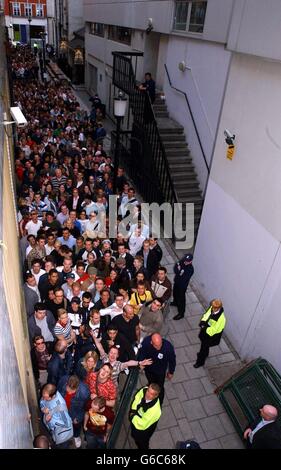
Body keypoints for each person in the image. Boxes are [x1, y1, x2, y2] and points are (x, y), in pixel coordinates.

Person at [138, 333, 176, 404]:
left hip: (160, 372)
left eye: (160, 344)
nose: (159, 347)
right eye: (156, 346)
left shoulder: (168, 347)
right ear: (151, 342)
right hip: (149, 369)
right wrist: (141, 363)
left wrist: (171, 371)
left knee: (160, 388)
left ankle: (159, 402)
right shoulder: (146, 343)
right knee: (151, 383)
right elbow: (142, 353)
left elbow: (172, 360)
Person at [58, 374, 90, 448]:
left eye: (72, 391)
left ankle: (76, 436)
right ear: (66, 384)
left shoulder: (84, 392)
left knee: (76, 425)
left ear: (77, 387)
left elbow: (85, 407)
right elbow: (57, 393)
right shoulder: (63, 380)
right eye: (68, 389)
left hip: (75, 411)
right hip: (63, 409)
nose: (69, 392)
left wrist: (78, 417)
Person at [193, 299, 226, 368]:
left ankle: (200, 362)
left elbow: (213, 331)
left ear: (219, 308)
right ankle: (206, 354)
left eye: (214, 308)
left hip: (211, 336)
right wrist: (203, 321)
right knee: (204, 345)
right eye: (212, 307)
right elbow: (207, 314)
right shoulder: (213, 308)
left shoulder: (221, 319)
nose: (212, 309)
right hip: (206, 331)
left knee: (203, 348)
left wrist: (204, 327)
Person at [40, 383, 73, 448]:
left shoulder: (60, 407)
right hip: (54, 431)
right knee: (55, 442)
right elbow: (42, 401)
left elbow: (67, 423)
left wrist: (51, 420)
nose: (44, 399)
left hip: (62, 435)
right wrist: (43, 408)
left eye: (46, 398)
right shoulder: (47, 394)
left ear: (53, 396)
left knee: (62, 446)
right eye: (43, 396)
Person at [129, 383, 161, 449]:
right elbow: (137, 398)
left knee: (142, 441)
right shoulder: (144, 390)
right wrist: (133, 410)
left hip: (145, 428)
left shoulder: (155, 410)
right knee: (135, 434)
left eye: (151, 394)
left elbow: (142, 424)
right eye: (148, 391)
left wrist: (132, 416)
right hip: (138, 416)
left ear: (156, 396)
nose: (147, 394)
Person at [172, 253, 194, 320]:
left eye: (187, 261)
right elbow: (176, 267)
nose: (185, 262)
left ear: (190, 261)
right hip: (177, 282)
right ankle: (175, 302)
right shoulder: (182, 261)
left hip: (182, 286)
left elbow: (183, 277)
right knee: (175, 293)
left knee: (181, 299)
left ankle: (181, 313)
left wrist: (179, 271)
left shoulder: (190, 269)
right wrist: (178, 271)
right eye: (185, 260)